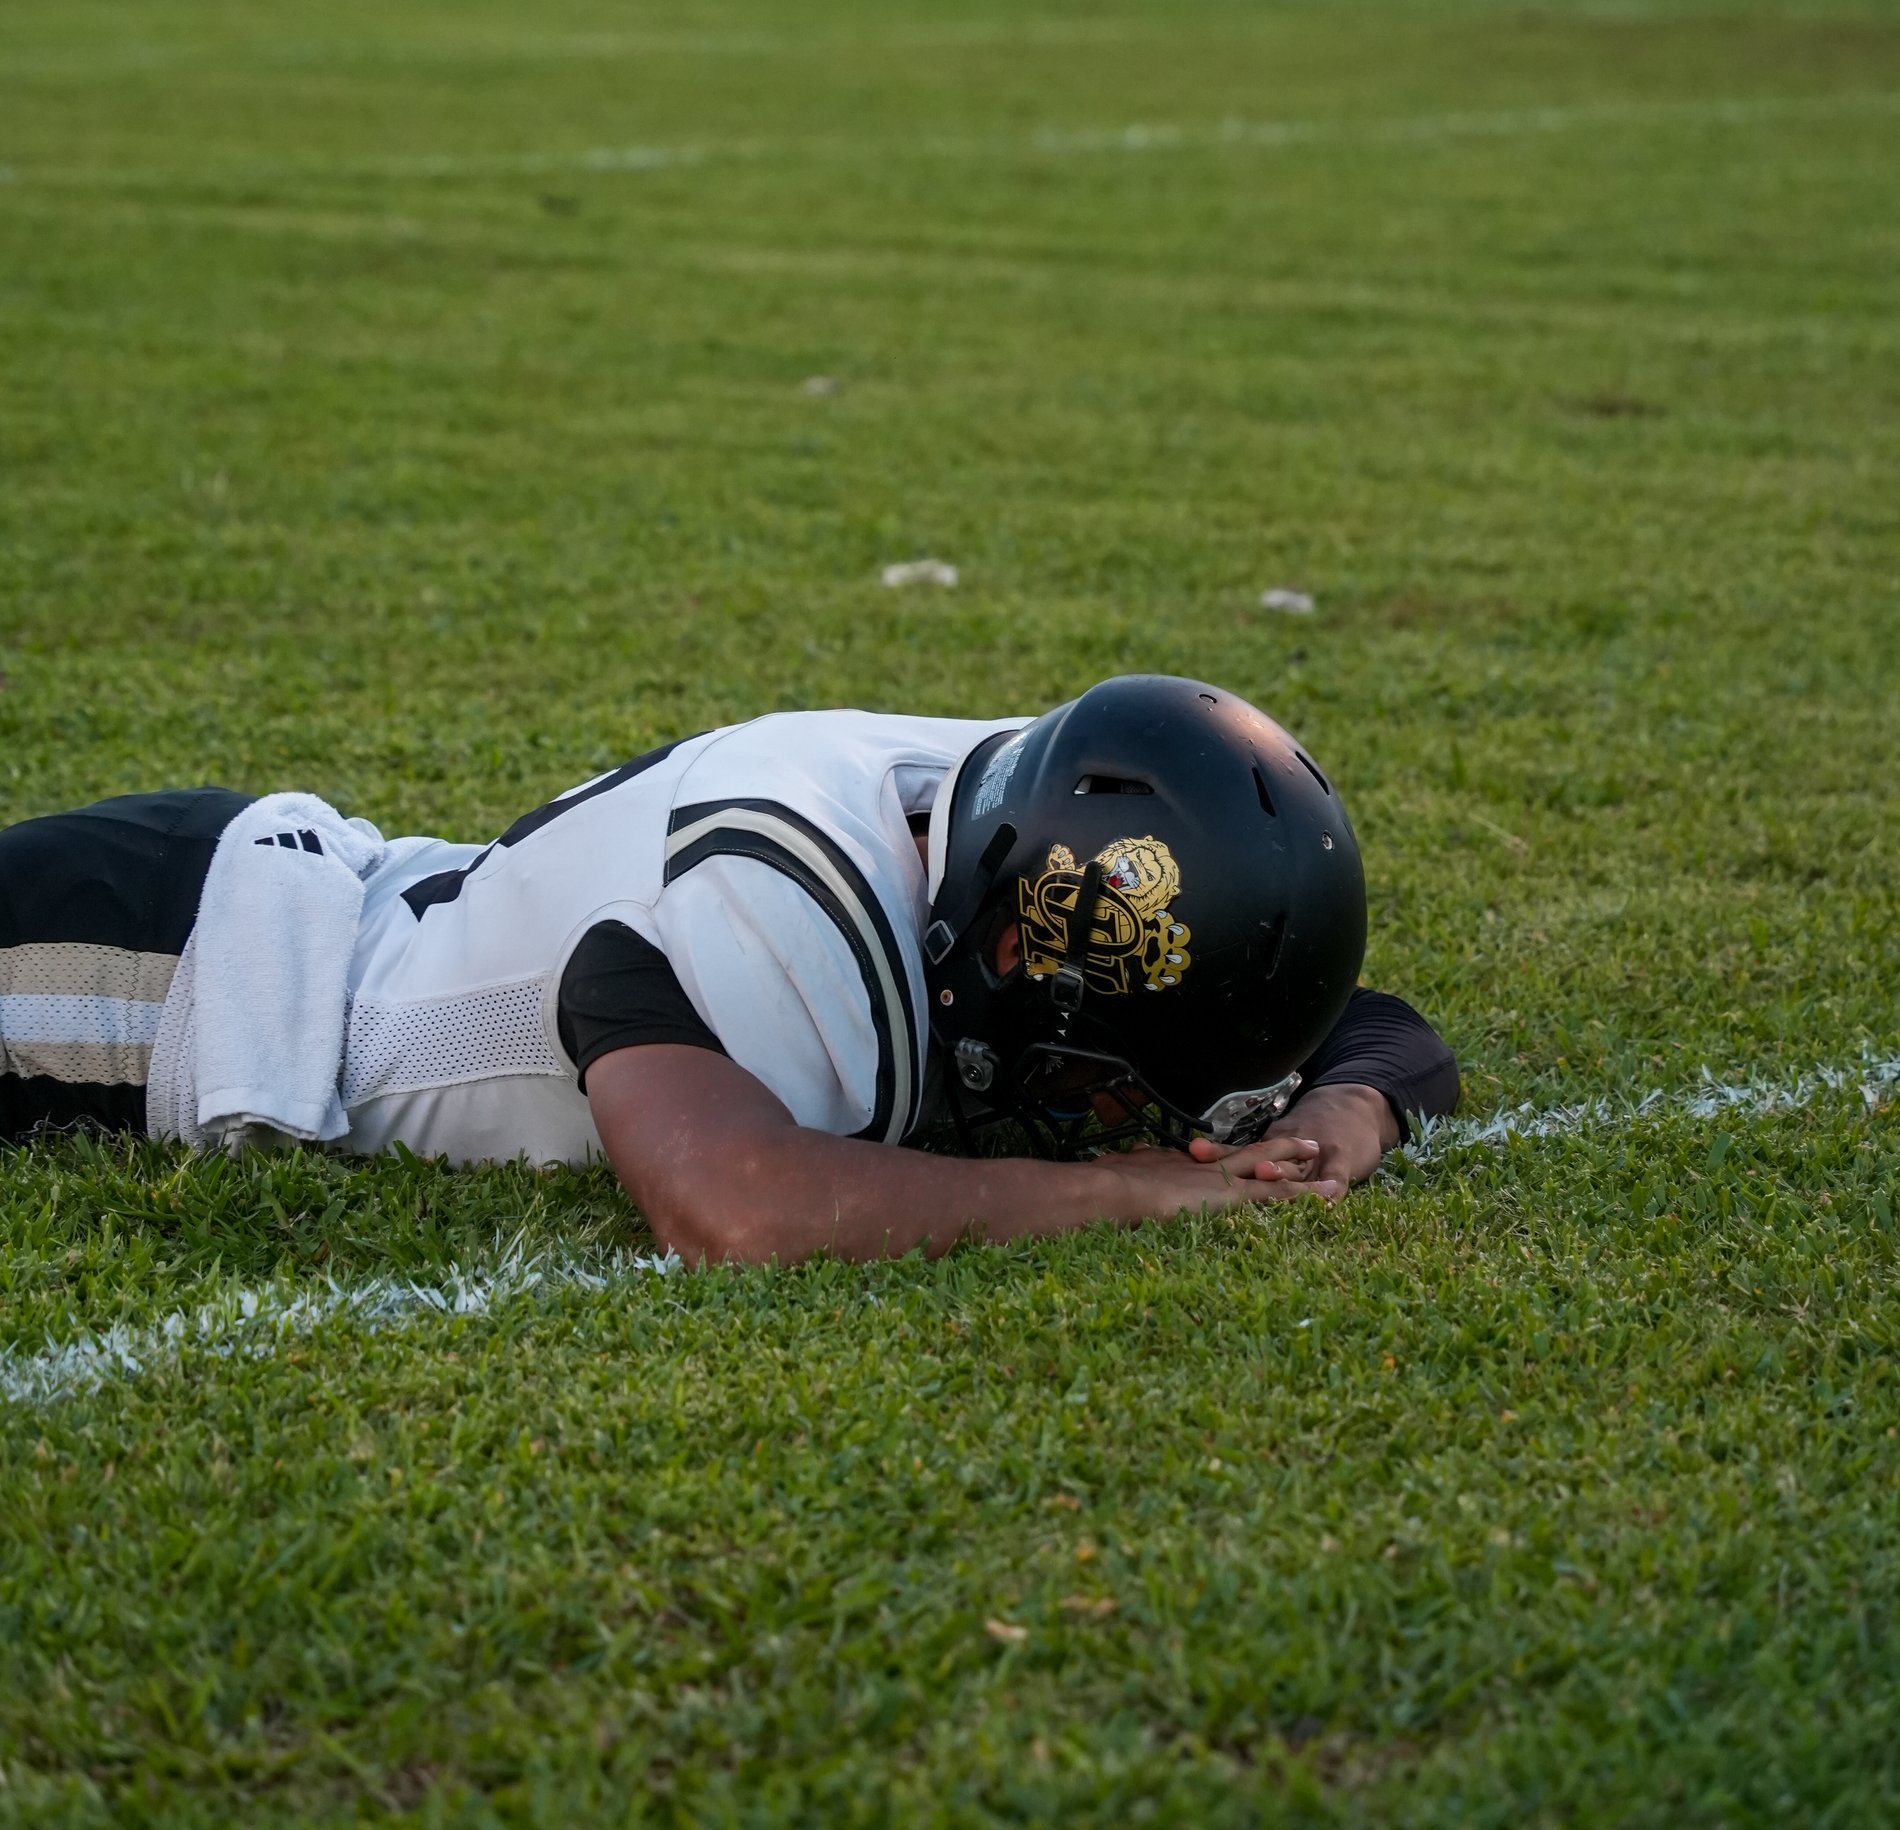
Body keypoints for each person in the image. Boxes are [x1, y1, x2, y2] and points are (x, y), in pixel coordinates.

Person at [0, 675, 1457, 1263]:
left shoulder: (1020, 819)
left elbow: (1352, 1025)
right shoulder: (771, 900)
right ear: (1009, 951)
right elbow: (736, 1204)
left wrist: (1348, 1110)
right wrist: (1131, 1189)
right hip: (190, 970)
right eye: (1110, 1083)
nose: (1140, 1117)